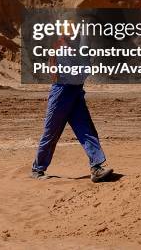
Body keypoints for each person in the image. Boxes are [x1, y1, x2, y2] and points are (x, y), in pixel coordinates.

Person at [31, 18, 113, 182]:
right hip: (61, 93)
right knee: (51, 132)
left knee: (87, 130)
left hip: (75, 92)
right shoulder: (62, 49)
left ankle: (96, 167)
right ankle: (37, 169)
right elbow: (81, 70)